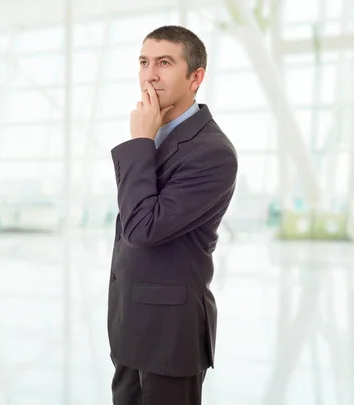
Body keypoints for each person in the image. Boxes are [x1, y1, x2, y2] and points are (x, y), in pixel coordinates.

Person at [107, 25, 238, 405]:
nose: (150, 74)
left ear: (196, 77)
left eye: (164, 62)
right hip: (129, 326)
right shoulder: (156, 138)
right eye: (144, 62)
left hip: (169, 337)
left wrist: (140, 143)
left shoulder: (212, 152)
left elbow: (142, 228)